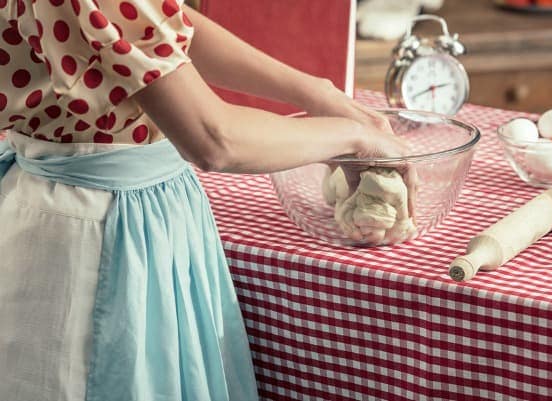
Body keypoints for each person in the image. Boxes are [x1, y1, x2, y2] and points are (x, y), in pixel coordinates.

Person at [0, 1, 408, 400]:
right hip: (100, 233)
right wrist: (355, 139)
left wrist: (315, 93)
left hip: (83, 210)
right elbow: (215, 139)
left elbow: (153, 22)